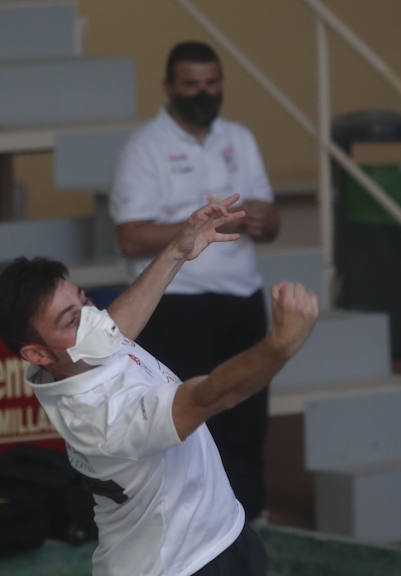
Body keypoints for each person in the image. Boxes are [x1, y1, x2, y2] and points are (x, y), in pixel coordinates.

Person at [0, 195, 314, 576]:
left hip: (226, 551)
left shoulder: (82, 349)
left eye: (80, 300)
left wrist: (179, 250)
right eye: (68, 318)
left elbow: (115, 325)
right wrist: (280, 345)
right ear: (35, 353)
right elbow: (209, 396)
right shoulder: (99, 418)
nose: (88, 318)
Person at [109, 41, 281, 522]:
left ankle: (250, 520)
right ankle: (187, 525)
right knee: (183, 424)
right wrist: (196, 230)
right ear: (168, 88)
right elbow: (129, 236)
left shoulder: (241, 138)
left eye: (211, 84)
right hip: (177, 306)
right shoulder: (145, 147)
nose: (202, 93)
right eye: (191, 85)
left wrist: (265, 220)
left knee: (246, 419)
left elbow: (270, 222)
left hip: (242, 301)